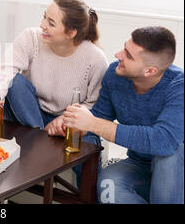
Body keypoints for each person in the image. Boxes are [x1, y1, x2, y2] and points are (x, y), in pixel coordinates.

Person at [0, 0, 108, 186]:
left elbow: (95, 104)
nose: (42, 25)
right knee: (13, 82)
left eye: (51, 22)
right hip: (29, 114)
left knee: (89, 144)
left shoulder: (95, 59)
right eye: (44, 17)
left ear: (71, 32)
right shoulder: (30, 38)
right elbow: (3, 74)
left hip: (68, 122)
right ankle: (41, 140)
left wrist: (66, 121)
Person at [64, 26, 184, 204]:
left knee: (169, 154)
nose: (118, 54)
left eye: (128, 55)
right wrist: (72, 123)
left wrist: (93, 124)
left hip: (176, 169)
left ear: (149, 71)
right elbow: (100, 116)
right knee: (108, 185)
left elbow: (164, 141)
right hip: (140, 163)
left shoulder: (178, 86)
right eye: (124, 47)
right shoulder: (115, 74)